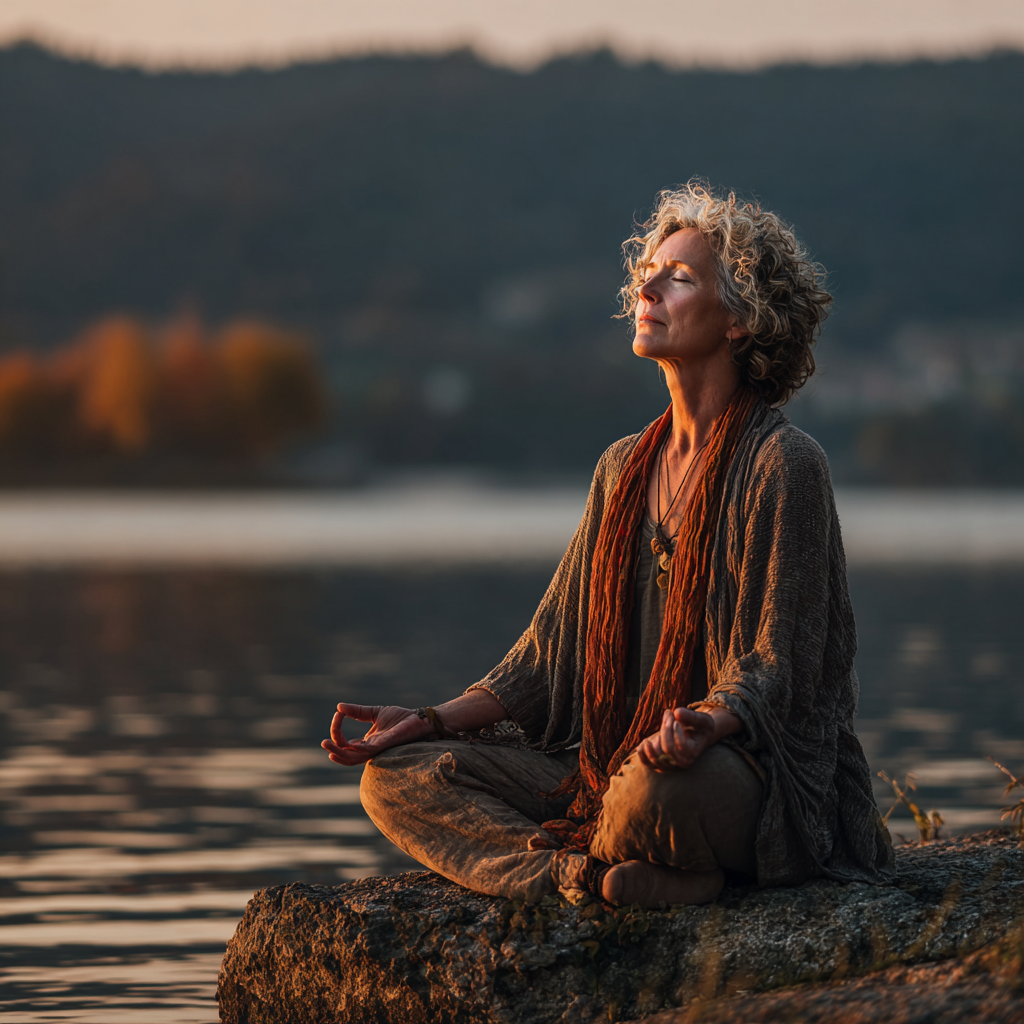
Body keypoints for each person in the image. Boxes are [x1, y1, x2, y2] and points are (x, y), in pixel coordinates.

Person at [322, 183, 895, 908]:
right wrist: (426, 720)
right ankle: (584, 876)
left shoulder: (785, 465)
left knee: (654, 788)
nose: (646, 289)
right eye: (647, 273)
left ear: (741, 320)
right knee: (395, 777)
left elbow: (781, 664)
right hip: (604, 768)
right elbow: (543, 660)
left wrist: (705, 724)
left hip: (733, 771)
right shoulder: (621, 468)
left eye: (678, 278)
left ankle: (643, 853)